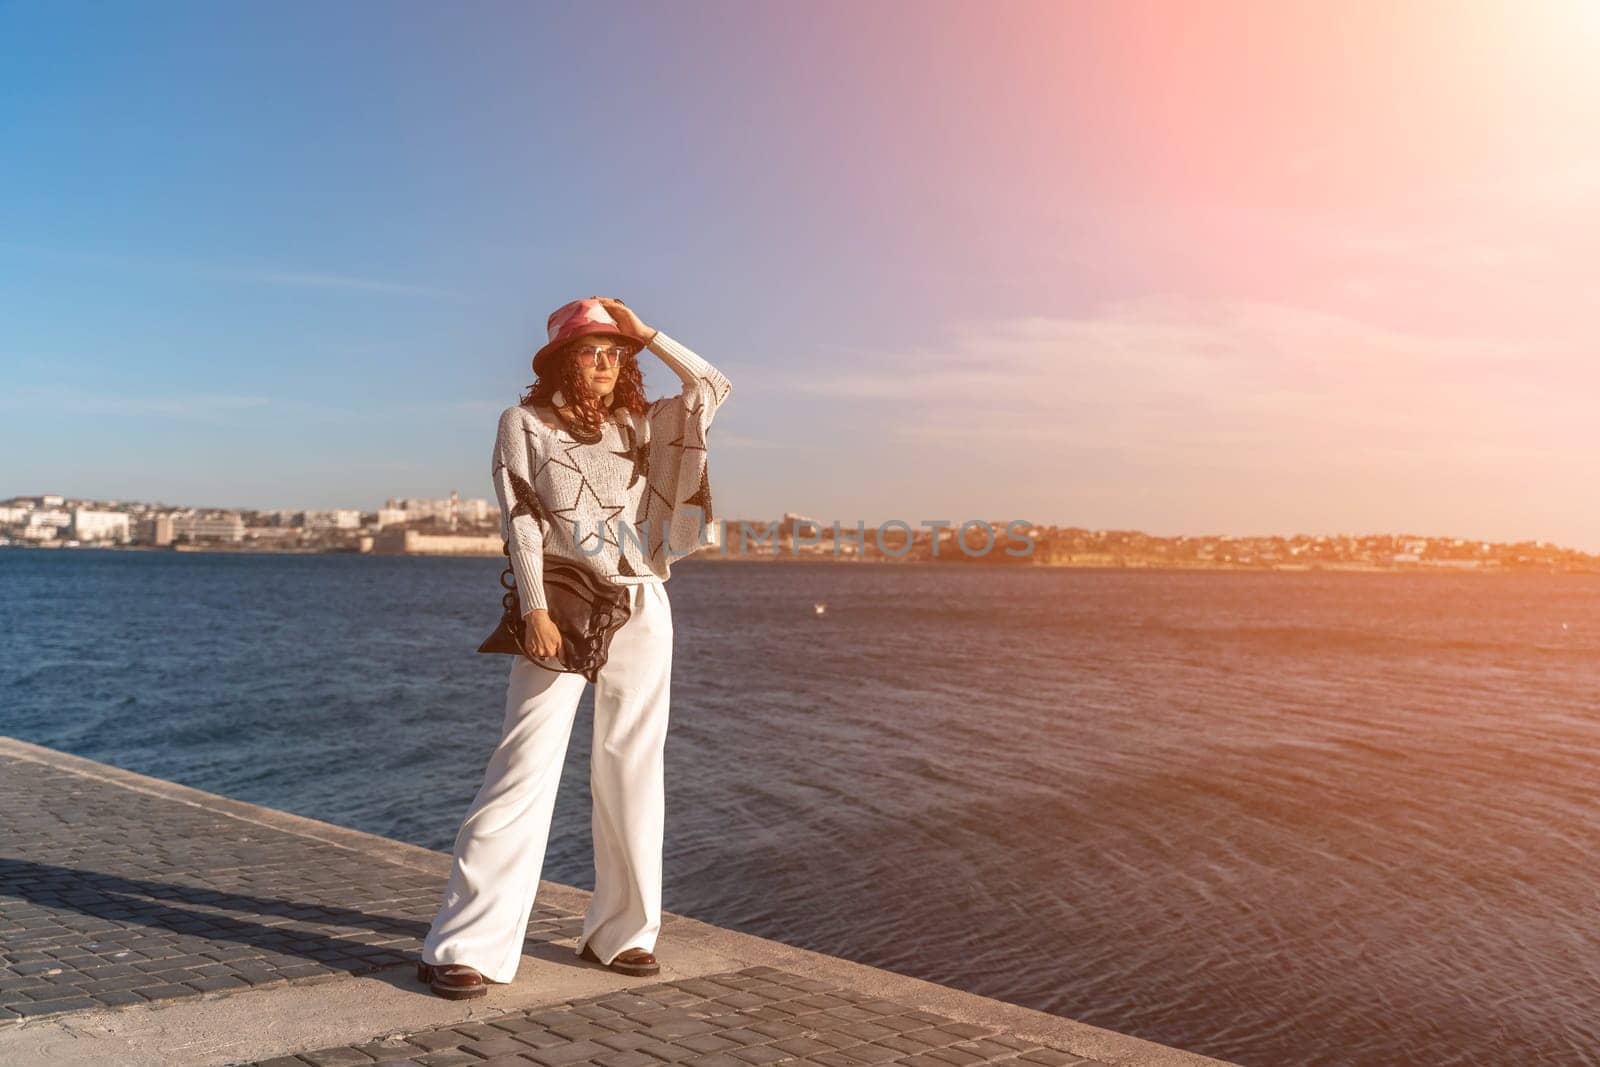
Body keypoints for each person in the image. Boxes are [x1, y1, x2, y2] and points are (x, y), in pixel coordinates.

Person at [415, 295, 732, 1000]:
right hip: (561, 603)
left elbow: (711, 387)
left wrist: (646, 331)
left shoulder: (638, 427)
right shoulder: (522, 423)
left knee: (632, 766)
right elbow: (521, 517)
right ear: (563, 357)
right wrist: (532, 605)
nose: (607, 363)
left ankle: (622, 932)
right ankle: (464, 942)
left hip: (643, 599)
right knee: (523, 764)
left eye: (617, 353)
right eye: (594, 350)